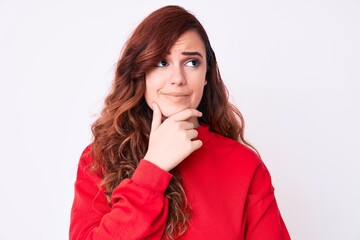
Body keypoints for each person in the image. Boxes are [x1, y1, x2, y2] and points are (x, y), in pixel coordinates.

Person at [69, 5, 291, 240]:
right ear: (140, 73)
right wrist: (153, 169)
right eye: (162, 63)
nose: (178, 79)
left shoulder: (244, 165)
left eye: (192, 63)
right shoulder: (100, 159)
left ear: (207, 76)